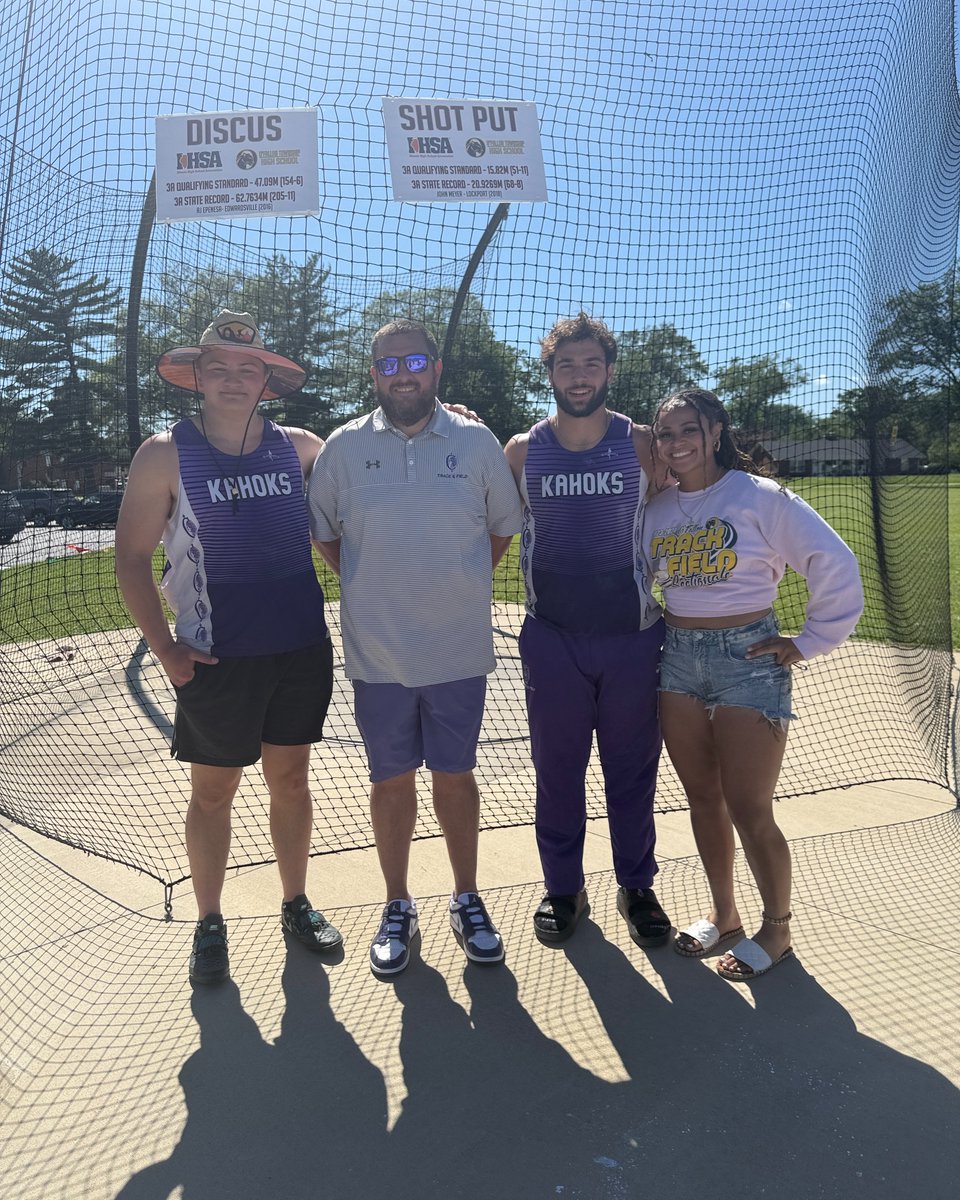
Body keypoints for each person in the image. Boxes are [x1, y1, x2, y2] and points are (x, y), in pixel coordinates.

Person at [115, 310, 342, 985]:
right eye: (219, 368)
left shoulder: (302, 447)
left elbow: (378, 459)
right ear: (198, 378)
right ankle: (209, 920)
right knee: (214, 793)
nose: (235, 379)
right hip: (215, 657)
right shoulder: (164, 453)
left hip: (299, 649)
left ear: (267, 380)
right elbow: (130, 560)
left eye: (248, 368)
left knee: (291, 781)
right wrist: (165, 649)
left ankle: (295, 903)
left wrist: (450, 416)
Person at [307, 318, 521, 977]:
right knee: (390, 781)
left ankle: (466, 898)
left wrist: (457, 583)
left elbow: (501, 528)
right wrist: (374, 585)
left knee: (455, 778)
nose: (403, 374)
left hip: (458, 650)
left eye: (415, 362)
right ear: (374, 374)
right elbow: (326, 535)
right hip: (379, 656)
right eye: (389, 364)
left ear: (436, 369)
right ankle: (397, 904)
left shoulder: (476, 441)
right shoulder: (343, 448)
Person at [644, 387, 864, 980]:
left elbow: (834, 562)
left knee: (749, 807)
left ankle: (777, 929)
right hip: (677, 661)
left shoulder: (759, 496)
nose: (676, 443)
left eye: (689, 429)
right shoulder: (656, 510)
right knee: (703, 799)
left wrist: (809, 641)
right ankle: (724, 915)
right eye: (665, 433)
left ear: (716, 432)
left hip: (747, 658)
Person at [504, 314, 671, 948]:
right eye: (566, 365)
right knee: (557, 771)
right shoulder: (522, 451)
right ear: (548, 372)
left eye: (591, 364)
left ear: (609, 371)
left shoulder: (641, 443)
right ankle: (563, 888)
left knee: (632, 771)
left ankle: (637, 886)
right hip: (553, 636)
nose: (579, 377)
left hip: (632, 634)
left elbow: (679, 504)